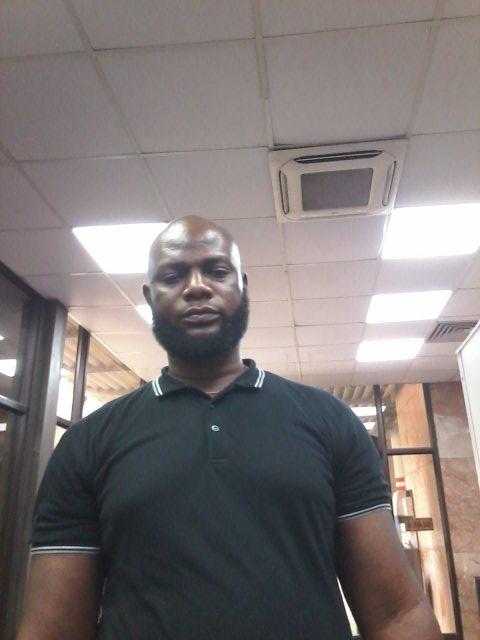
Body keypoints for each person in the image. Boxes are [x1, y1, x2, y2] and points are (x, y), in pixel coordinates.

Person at [18, 216, 441, 639]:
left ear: (242, 286)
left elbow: (397, 614)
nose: (196, 287)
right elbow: (52, 631)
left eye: (217, 271)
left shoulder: (329, 421)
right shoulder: (88, 444)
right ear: (149, 297)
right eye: (173, 276)